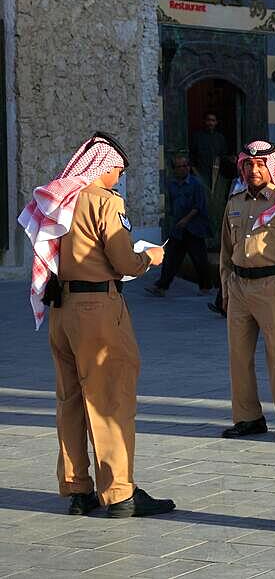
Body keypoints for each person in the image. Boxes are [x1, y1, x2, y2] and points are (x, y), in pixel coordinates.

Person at [18, 133, 175, 517]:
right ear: (105, 167)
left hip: (61, 308)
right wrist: (150, 258)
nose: (119, 179)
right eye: (118, 171)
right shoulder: (104, 201)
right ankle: (119, 492)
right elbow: (122, 258)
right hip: (97, 308)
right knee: (110, 398)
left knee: (69, 400)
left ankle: (77, 488)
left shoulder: (59, 197)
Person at [219, 141, 275, 442]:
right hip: (239, 287)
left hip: (272, 285)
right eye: (248, 165)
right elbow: (225, 252)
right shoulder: (234, 201)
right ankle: (248, 417)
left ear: (271, 167)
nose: (254, 170)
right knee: (239, 356)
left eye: (260, 165)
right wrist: (225, 290)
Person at [146, 155, 213, 297]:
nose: (183, 169)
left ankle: (206, 286)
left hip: (194, 228)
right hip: (178, 229)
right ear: (174, 169)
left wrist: (186, 220)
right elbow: (170, 204)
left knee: (199, 258)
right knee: (171, 258)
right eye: (179, 166)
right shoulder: (171, 185)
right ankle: (161, 286)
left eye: (185, 166)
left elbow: (198, 206)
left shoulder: (196, 184)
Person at [189, 112, 236, 249]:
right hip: (201, 177)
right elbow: (192, 156)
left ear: (216, 123)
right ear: (205, 121)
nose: (210, 123)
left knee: (217, 209)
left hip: (217, 180)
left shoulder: (220, 139)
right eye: (208, 120)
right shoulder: (198, 137)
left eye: (213, 120)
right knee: (202, 207)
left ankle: (217, 241)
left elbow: (223, 157)